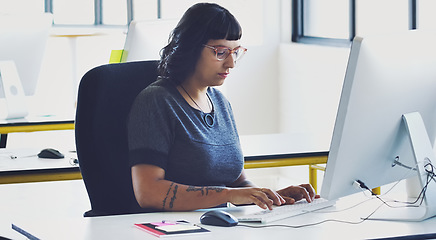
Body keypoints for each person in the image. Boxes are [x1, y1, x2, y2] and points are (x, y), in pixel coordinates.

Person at [127, 2, 318, 213]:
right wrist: (227, 194)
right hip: (175, 229)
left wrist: (273, 197)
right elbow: (148, 192)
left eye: (235, 52)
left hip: (218, 224)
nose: (231, 64)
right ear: (190, 48)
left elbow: (238, 183)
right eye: (220, 52)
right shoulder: (157, 101)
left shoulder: (219, 102)